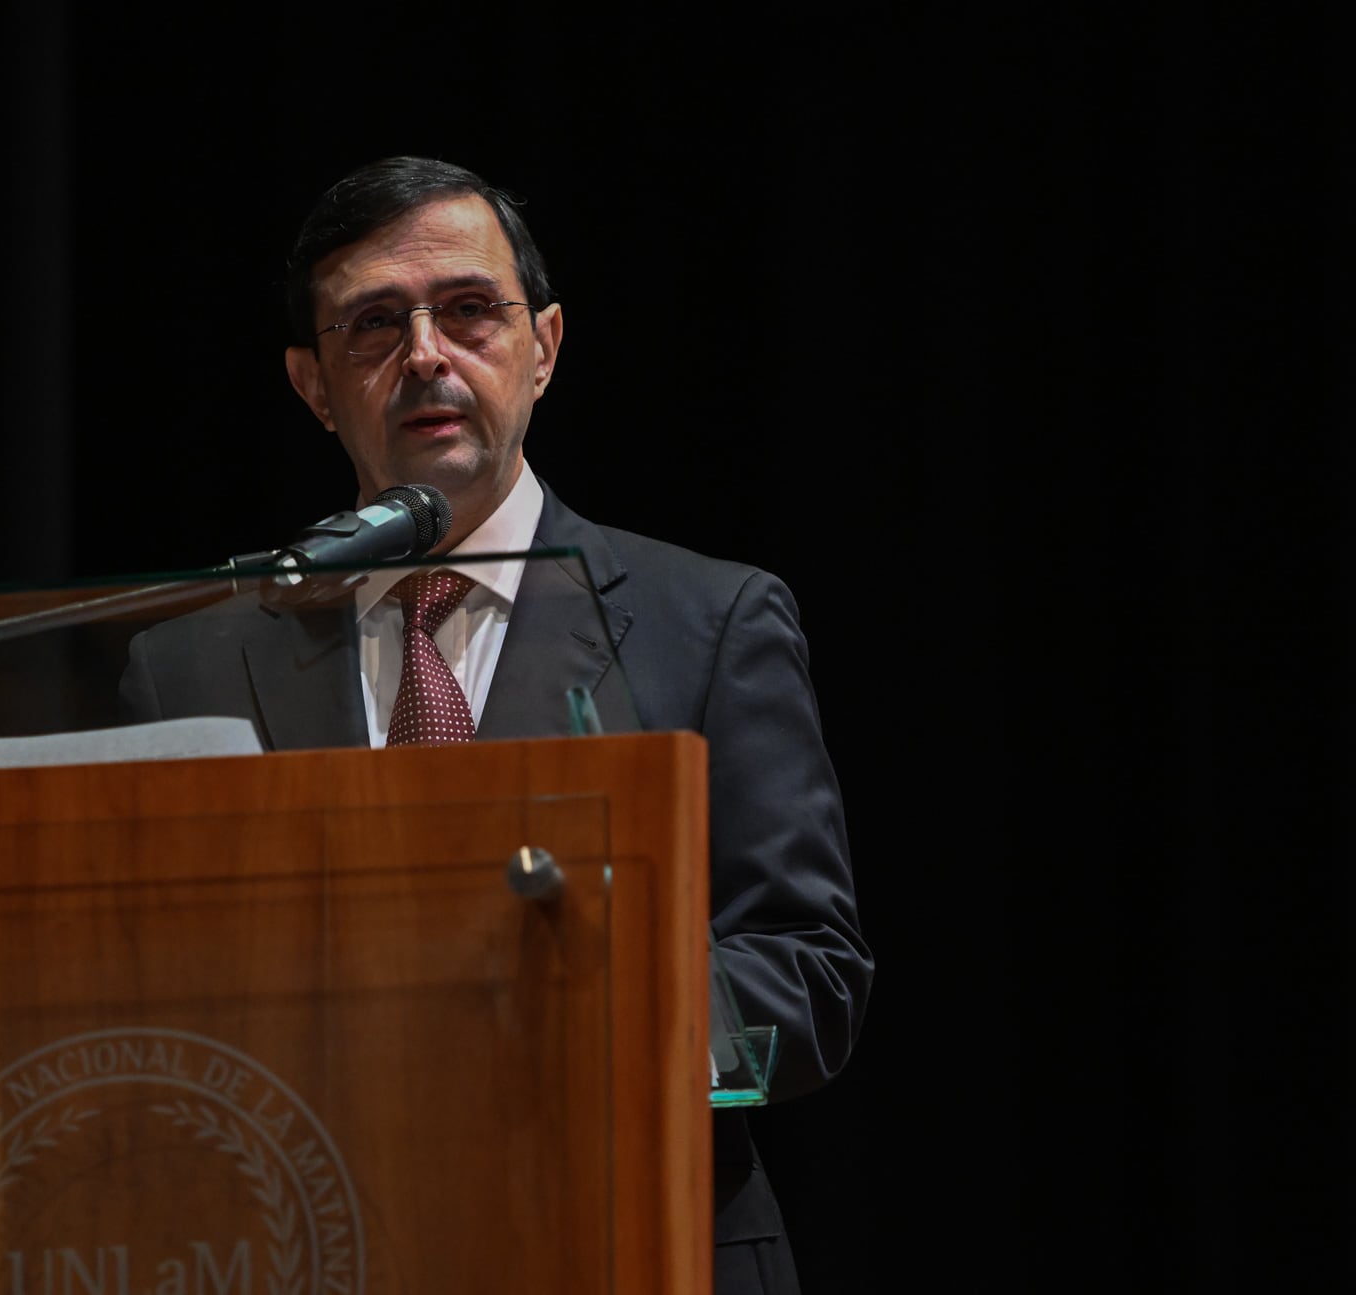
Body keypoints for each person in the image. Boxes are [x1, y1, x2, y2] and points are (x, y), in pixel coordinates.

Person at [122, 156, 872, 1294]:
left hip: (633, 1237)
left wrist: (563, 1010)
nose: (426, 352)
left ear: (546, 346)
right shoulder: (188, 663)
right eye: (374, 323)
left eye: (470, 309)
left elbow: (808, 977)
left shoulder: (706, 622)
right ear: (313, 385)